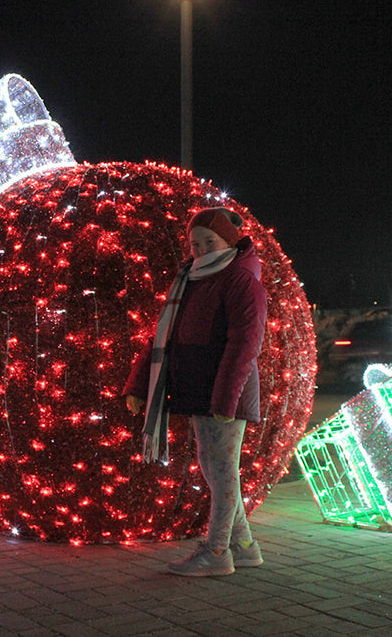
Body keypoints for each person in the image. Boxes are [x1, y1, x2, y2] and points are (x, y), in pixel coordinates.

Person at [124, 206, 267, 577]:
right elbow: (164, 336)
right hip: (200, 388)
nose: (201, 250)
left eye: (209, 241)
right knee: (215, 467)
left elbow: (244, 343)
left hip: (223, 392)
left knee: (221, 471)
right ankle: (244, 546)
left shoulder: (240, 280)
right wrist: (140, 383)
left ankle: (218, 551)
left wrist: (226, 399)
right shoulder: (190, 279)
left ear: (230, 242)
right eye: (195, 243)